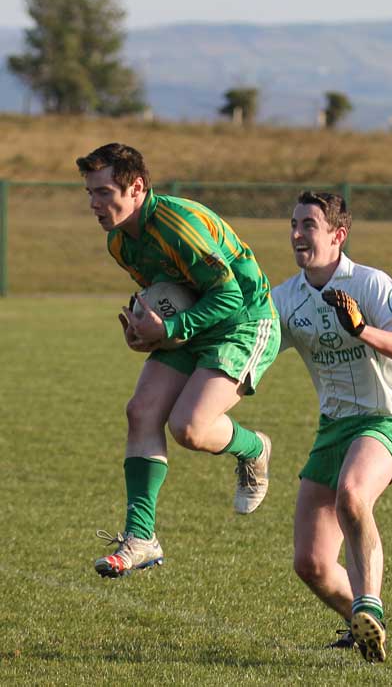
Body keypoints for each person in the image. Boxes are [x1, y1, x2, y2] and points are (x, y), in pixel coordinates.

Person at [76, 143, 280, 579]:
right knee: (141, 411)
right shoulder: (120, 243)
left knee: (189, 427)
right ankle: (140, 538)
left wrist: (168, 330)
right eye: (90, 193)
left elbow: (229, 295)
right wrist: (143, 329)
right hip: (195, 320)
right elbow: (169, 297)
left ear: (137, 187)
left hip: (244, 320)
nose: (95, 203)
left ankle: (255, 448)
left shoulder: (177, 225)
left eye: (105, 192)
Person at [271, 191, 392, 664]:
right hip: (333, 426)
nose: (297, 234)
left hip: (388, 417)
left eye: (309, 225)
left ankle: (369, 602)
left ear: (338, 235)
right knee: (312, 564)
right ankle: (362, 627)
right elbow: (253, 350)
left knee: (353, 493)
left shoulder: (370, 283)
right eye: (294, 224)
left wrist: (362, 330)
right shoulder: (286, 297)